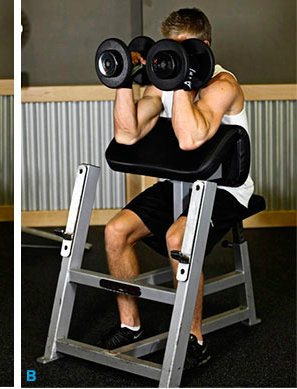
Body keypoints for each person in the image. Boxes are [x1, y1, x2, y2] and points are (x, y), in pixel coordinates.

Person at [101, 8, 254, 370]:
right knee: (114, 232)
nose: (172, 57)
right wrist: (124, 81)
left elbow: (190, 140)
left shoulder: (222, 85)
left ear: (203, 47)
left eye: (184, 50)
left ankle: (193, 336)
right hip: (178, 185)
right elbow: (126, 134)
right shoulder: (162, 81)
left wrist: (183, 80)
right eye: (170, 49)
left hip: (225, 188)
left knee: (178, 238)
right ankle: (130, 324)